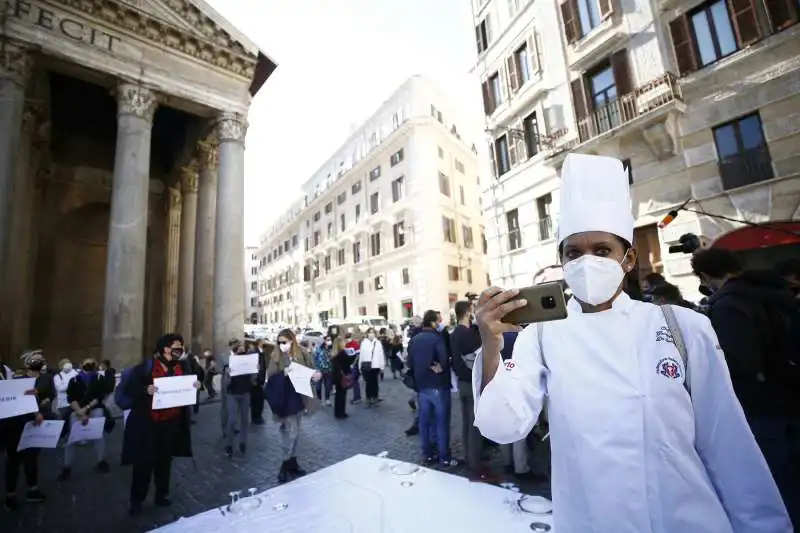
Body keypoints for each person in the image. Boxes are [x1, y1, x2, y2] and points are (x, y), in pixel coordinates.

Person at [472, 153, 791, 532]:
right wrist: (491, 345)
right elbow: (502, 425)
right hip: (593, 521)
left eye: (602, 250)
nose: (587, 262)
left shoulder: (682, 326)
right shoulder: (543, 334)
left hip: (687, 518)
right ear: (562, 261)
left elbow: (727, 442)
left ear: (628, 259)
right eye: (574, 252)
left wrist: (763, 526)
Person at [692, 248, 800, 524]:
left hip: (763, 406)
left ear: (705, 276)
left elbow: (741, 362)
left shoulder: (728, 305)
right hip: (792, 392)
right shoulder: (778, 291)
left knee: (779, 484)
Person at [121, 333, 199, 516]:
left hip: (170, 423)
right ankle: (137, 500)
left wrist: (195, 385)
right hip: (147, 423)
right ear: (165, 348)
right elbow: (130, 388)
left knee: (164, 461)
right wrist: (145, 390)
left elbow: (192, 382)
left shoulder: (183, 365)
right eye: (176, 345)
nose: (180, 348)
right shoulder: (146, 367)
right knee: (143, 463)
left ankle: (161, 494)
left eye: (181, 345)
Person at [265, 329, 320, 483]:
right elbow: (270, 377)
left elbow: (311, 369)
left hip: (299, 396)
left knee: (295, 431)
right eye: (280, 342)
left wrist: (316, 375)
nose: (283, 345)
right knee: (291, 432)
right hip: (284, 398)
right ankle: (284, 464)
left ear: (292, 340)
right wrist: (284, 372)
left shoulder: (302, 353)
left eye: (285, 341)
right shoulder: (275, 356)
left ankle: (292, 463)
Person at [1, 351, 53, 511]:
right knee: (13, 461)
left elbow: (48, 396)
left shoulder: (46, 379)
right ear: (26, 364)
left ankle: (33, 489)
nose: (37, 361)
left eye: (40, 360)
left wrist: (39, 403)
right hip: (16, 425)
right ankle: (11, 495)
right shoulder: (17, 381)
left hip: (35, 424)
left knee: (32, 458)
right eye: (34, 359)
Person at [407, 310, 452, 467]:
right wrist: (438, 366)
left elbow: (409, 362)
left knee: (425, 422)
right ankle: (444, 456)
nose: (440, 323)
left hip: (421, 387)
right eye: (438, 321)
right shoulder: (436, 338)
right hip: (438, 385)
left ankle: (428, 454)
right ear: (433, 322)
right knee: (441, 422)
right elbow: (444, 359)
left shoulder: (414, 339)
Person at [57, 358, 111, 481]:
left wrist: (86, 408)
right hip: (77, 410)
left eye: (91, 363)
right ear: (81, 365)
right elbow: (71, 398)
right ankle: (67, 467)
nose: (89, 365)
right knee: (72, 438)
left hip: (94, 408)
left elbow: (99, 396)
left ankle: (101, 461)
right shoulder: (74, 380)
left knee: (99, 435)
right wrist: (80, 412)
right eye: (86, 363)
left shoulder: (99, 378)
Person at [449, 300, 484, 474]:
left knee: (466, 423)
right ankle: (475, 462)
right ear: (468, 312)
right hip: (471, 382)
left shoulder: (454, 333)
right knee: (474, 424)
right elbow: (479, 355)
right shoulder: (468, 333)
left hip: (461, 383)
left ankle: (468, 456)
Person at [222, 343, 256, 458]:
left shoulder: (248, 364)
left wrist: (254, 372)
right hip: (233, 394)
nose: (242, 354)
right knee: (232, 420)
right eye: (239, 352)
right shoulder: (229, 364)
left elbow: (253, 380)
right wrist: (228, 374)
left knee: (245, 420)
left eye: (243, 352)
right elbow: (225, 385)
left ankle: (242, 443)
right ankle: (229, 445)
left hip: (245, 393)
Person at [358, 328, 385, 406]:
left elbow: (381, 355)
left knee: (375, 382)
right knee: (368, 383)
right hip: (366, 365)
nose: (371, 334)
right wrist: (360, 365)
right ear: (367, 334)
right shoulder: (364, 343)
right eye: (370, 333)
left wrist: (382, 366)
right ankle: (368, 398)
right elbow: (361, 355)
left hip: (375, 365)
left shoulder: (378, 343)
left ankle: (375, 397)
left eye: (373, 333)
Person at [330, 336, 351, 419]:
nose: (345, 343)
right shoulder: (342, 353)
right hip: (342, 376)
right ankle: (341, 413)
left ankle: (337, 412)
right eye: (343, 342)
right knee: (342, 395)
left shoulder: (334, 354)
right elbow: (347, 364)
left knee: (338, 395)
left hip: (337, 377)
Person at [313, 336, 334, 406]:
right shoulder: (319, 349)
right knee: (318, 387)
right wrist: (316, 369)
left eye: (330, 340)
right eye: (328, 340)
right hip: (319, 371)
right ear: (324, 341)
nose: (329, 341)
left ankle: (327, 399)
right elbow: (314, 358)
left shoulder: (332, 349)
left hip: (329, 371)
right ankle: (319, 399)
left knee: (328, 386)